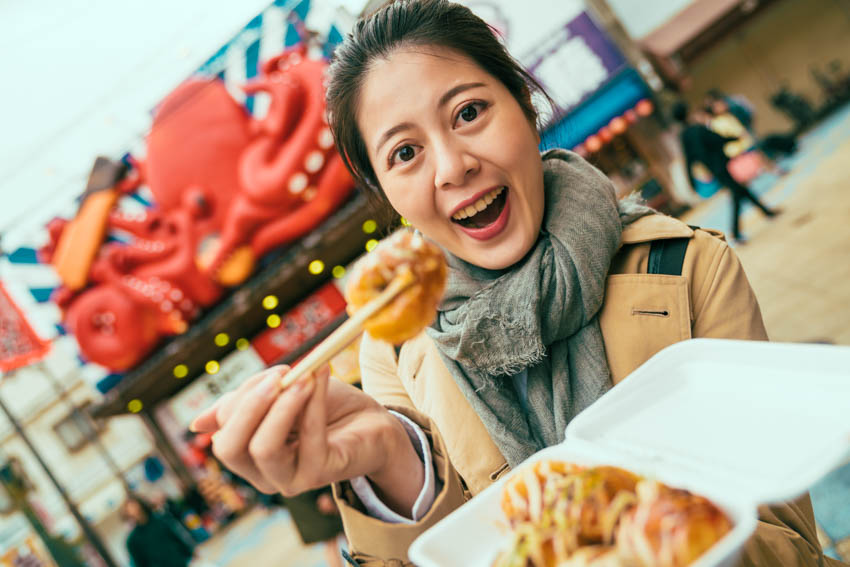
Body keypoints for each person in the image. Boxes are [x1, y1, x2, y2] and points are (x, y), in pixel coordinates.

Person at [191, 1, 840, 566]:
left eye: (469, 111)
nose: (452, 166)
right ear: (385, 193)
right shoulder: (390, 352)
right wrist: (391, 462)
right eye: (405, 153)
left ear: (526, 109)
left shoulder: (689, 266)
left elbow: (788, 546)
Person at [672, 100, 779, 243]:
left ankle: (765, 213)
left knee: (740, 191)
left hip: (713, 169)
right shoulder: (697, 128)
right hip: (721, 165)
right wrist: (734, 138)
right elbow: (717, 139)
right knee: (737, 192)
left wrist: (691, 181)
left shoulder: (684, 136)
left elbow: (689, 158)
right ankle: (736, 231)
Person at [121, 496, 195, 567]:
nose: (134, 511)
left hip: (178, 562)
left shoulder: (160, 519)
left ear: (140, 505)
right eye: (130, 509)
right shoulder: (132, 540)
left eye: (134, 506)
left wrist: (190, 553)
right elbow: (140, 563)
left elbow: (175, 537)